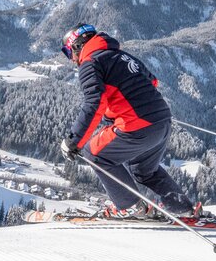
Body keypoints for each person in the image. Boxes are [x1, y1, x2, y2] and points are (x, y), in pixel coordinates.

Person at [59, 23, 196, 219]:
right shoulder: (122, 56)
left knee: (93, 153)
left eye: (68, 52)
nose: (72, 58)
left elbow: (94, 103)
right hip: (162, 120)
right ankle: (182, 207)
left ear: (77, 45)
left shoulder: (90, 62)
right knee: (144, 170)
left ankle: (130, 207)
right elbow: (152, 81)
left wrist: (74, 141)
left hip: (136, 124)